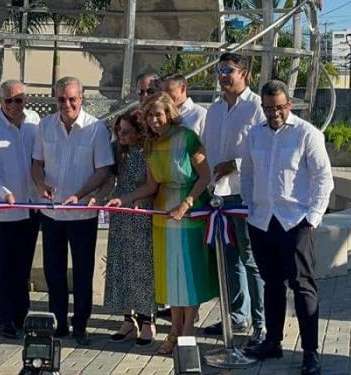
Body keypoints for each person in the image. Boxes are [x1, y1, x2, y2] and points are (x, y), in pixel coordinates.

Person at [108, 92, 217, 356]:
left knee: (189, 276)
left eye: (158, 114)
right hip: (161, 216)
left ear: (169, 114)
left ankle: (186, 329)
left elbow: (205, 176)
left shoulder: (188, 138)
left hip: (188, 214)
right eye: (149, 115)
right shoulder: (151, 145)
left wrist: (187, 203)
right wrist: (123, 198)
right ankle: (175, 329)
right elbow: (151, 185)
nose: (154, 119)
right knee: (171, 278)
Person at [240, 80, 333, 375]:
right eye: (268, 108)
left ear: (288, 104)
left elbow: (323, 179)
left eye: (279, 107)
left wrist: (313, 219)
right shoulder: (255, 135)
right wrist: (250, 208)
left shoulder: (307, 134)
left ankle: (310, 351)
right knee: (271, 284)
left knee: (302, 286)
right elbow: (248, 175)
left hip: (296, 222)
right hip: (262, 221)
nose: (274, 113)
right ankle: (273, 341)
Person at [31, 76, 113, 346]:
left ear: (82, 97)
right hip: (52, 213)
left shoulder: (96, 129)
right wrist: (40, 184)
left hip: (81, 215)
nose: (67, 104)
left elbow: (103, 171)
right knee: (54, 271)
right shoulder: (44, 126)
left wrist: (81, 194)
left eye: (72, 99)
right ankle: (59, 323)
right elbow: (37, 163)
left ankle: (81, 324)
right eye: (62, 99)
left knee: (82, 273)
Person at [201, 54, 266, 346]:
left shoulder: (256, 108)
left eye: (229, 71)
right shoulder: (213, 111)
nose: (223, 75)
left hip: (244, 194)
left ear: (246, 74)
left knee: (251, 259)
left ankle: (262, 325)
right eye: (219, 70)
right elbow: (206, 150)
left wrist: (236, 164)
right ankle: (237, 317)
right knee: (228, 261)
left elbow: (265, 149)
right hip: (218, 196)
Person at [0, 80, 41, 339]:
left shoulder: (35, 122)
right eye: (9, 101)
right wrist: (4, 193)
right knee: (2, 268)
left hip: (30, 209)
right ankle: (4, 319)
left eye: (19, 100)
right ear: (0, 101)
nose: (15, 105)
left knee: (23, 267)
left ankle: (21, 315)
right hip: (1, 212)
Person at [90, 110, 156, 346]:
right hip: (121, 214)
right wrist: (99, 197)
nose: (121, 135)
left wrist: (130, 199)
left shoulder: (149, 152)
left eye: (126, 132)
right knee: (120, 264)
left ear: (139, 132)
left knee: (142, 266)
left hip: (140, 213)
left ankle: (148, 320)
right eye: (118, 131)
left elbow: (152, 185)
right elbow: (110, 179)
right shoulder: (119, 151)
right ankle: (128, 319)